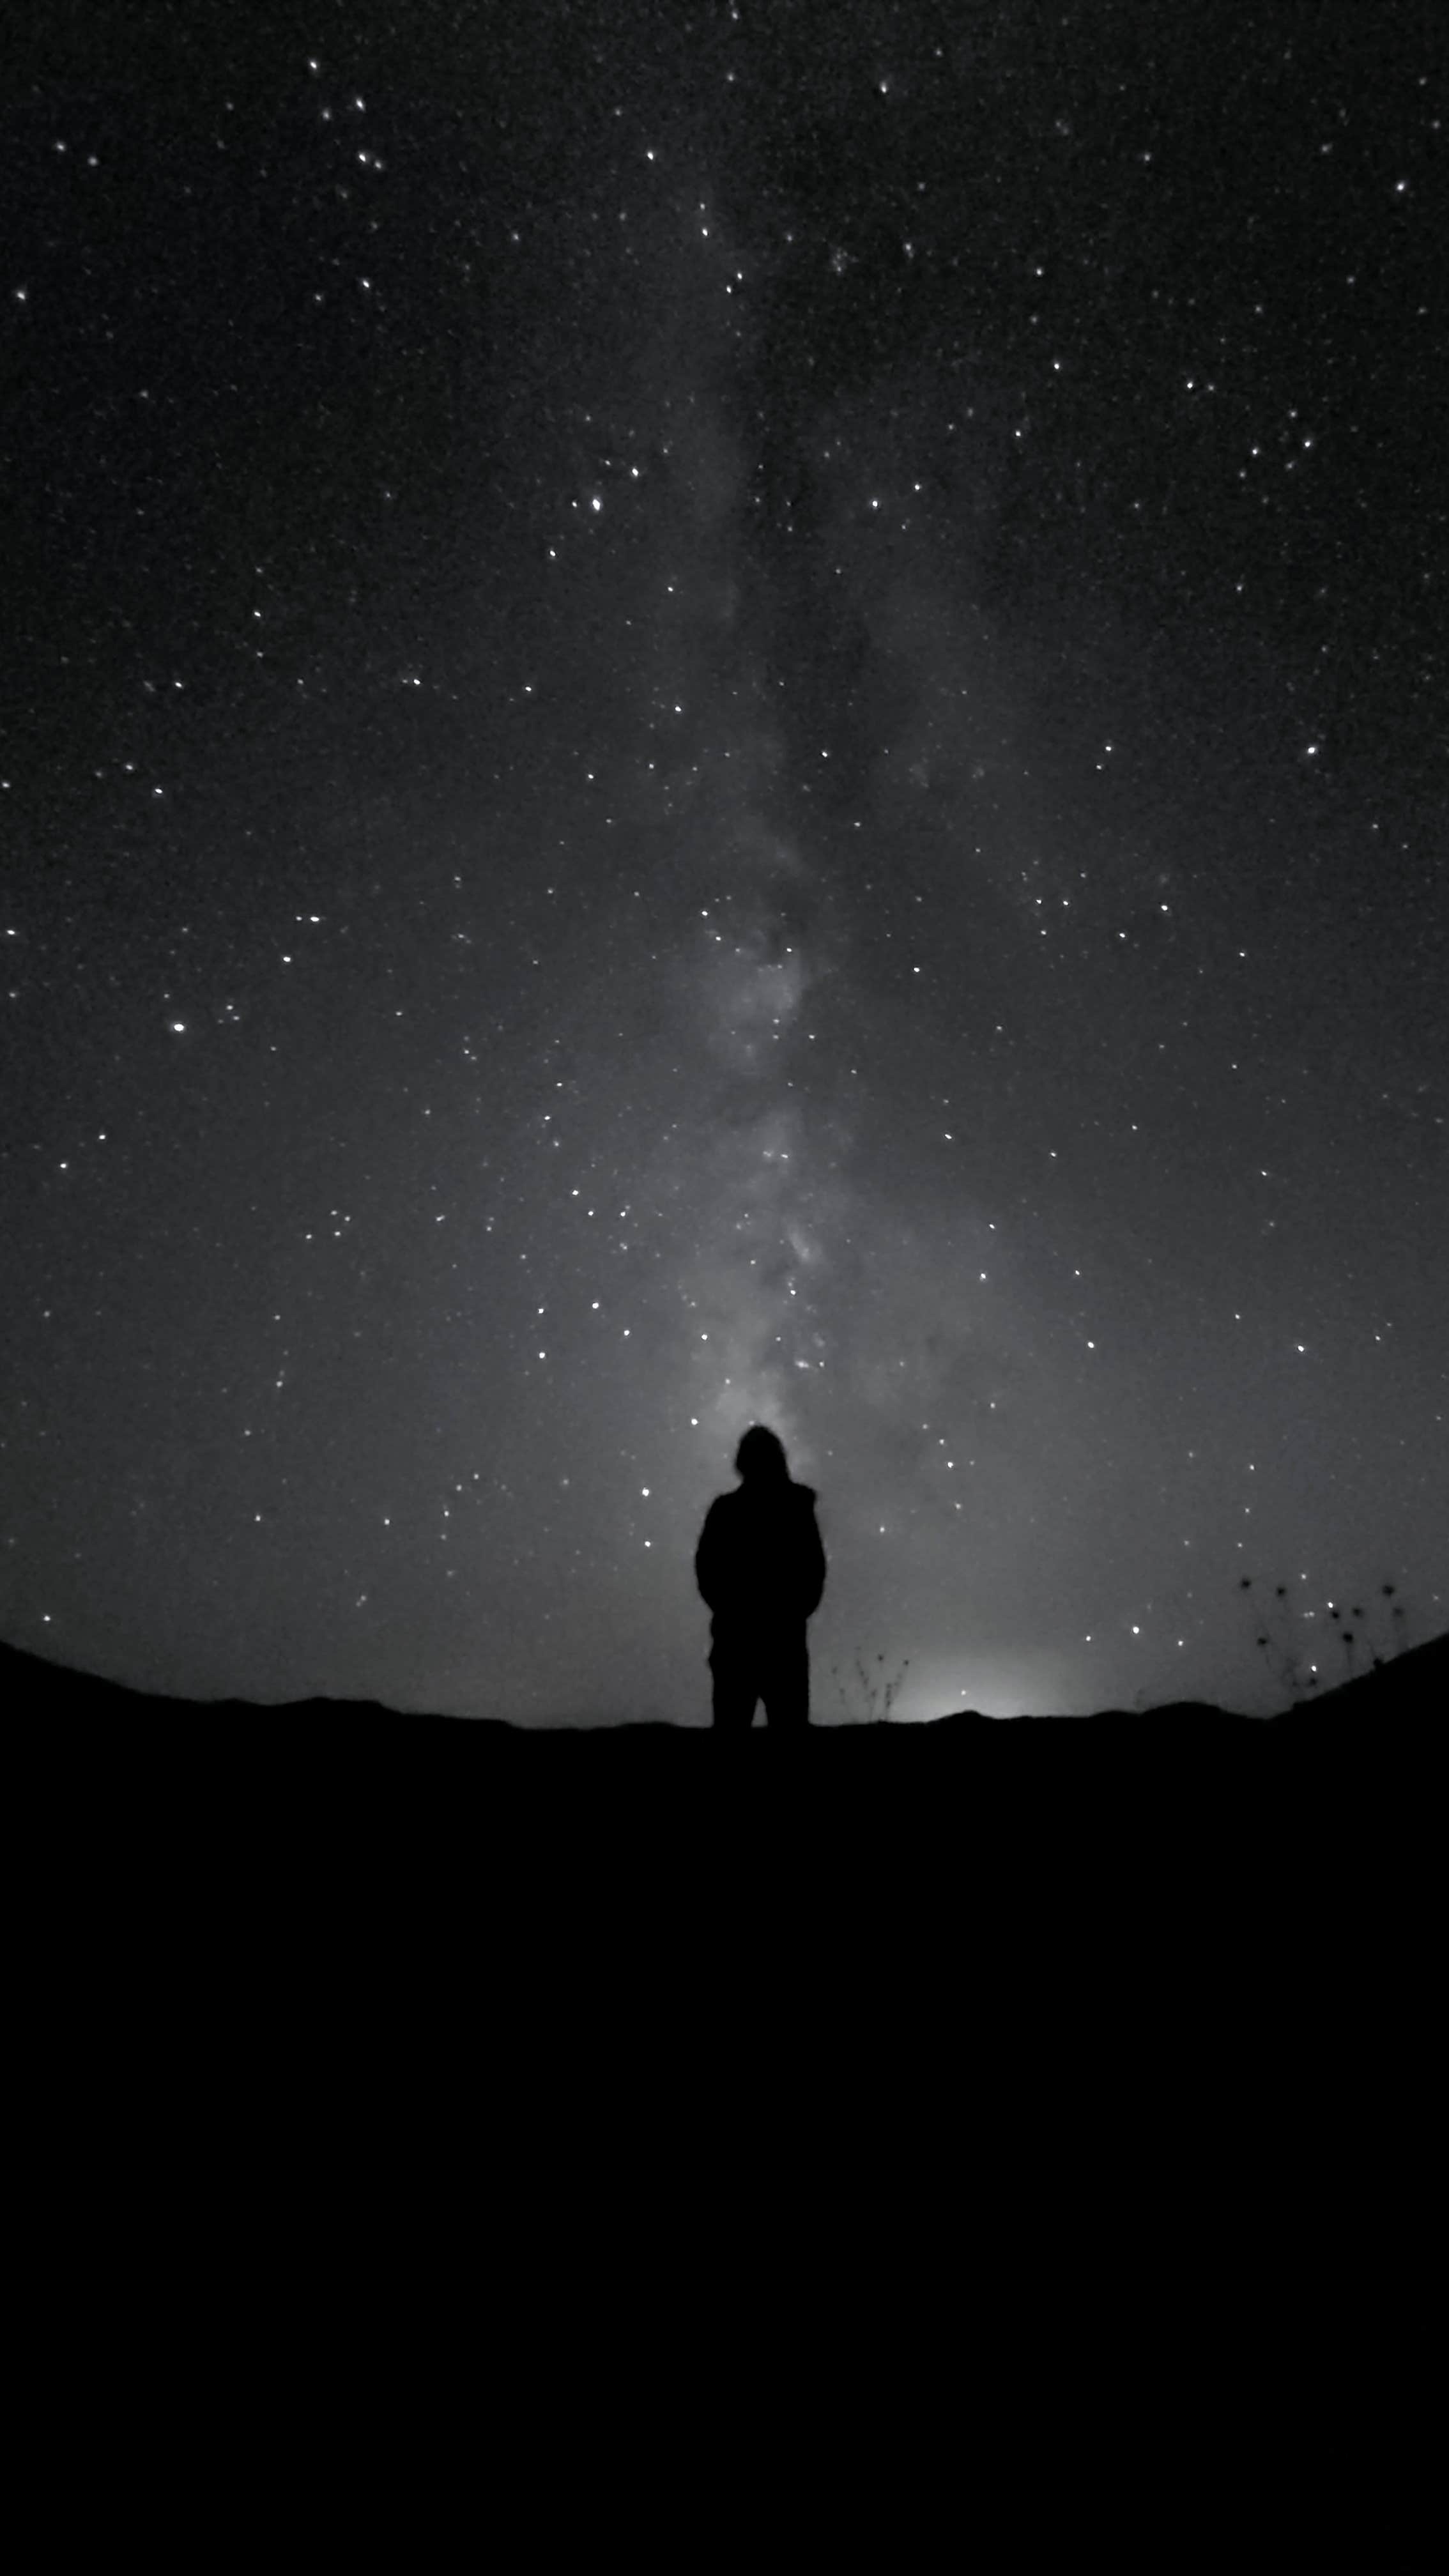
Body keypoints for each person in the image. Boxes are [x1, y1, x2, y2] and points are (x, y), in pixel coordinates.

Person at [694, 1425, 827, 1729]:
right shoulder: (796, 1507)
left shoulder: (727, 1511)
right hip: (781, 1641)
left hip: (738, 1640)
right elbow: (813, 1569)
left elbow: (707, 1570)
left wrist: (732, 1610)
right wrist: (790, 1613)